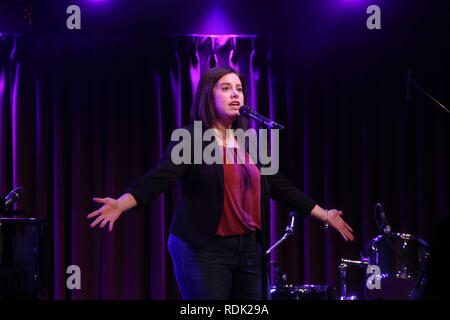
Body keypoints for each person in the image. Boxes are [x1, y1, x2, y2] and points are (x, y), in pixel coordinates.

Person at [87, 65, 355, 300]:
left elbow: (280, 187)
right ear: (208, 95)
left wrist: (325, 214)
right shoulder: (191, 138)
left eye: (239, 89)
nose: (236, 94)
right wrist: (121, 204)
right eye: (226, 88)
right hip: (201, 248)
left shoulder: (252, 143)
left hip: (248, 248)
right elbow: (159, 178)